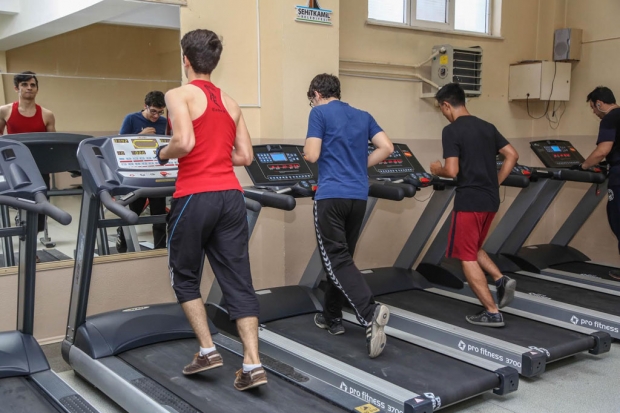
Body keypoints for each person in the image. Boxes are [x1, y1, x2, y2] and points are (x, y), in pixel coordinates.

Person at [156, 29, 264, 391]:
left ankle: (207, 351)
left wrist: (162, 153)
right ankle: (252, 364)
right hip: (231, 197)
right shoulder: (230, 102)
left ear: (186, 60)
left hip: (195, 196)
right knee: (238, 280)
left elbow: (183, 142)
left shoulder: (178, 94)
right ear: (213, 62)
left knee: (184, 276)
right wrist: (216, 153)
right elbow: (245, 156)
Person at [304, 73, 392, 358]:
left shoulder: (319, 113)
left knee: (336, 260)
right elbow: (387, 147)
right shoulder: (363, 115)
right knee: (341, 260)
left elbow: (312, 154)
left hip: (331, 195)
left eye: (311, 100)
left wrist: (306, 153)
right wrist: (359, 165)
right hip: (357, 197)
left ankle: (369, 311)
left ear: (317, 94)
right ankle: (332, 317)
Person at [430, 83, 519, 327]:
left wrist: (437, 169)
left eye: (441, 109)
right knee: (473, 247)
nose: (443, 114)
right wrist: (495, 182)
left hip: (470, 201)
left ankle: (492, 312)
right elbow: (512, 155)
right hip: (490, 200)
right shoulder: (487, 127)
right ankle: (500, 279)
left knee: (466, 256)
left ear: (446, 105)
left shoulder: (452, 130)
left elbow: (451, 170)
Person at [0, 71, 56, 262]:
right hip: (15, 169)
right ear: (17, 88)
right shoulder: (5, 111)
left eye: (33, 85)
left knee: (39, 213)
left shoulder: (47, 114)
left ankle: (31, 247)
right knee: (21, 208)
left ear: (37, 89)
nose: (29, 88)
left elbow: (52, 145)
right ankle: (26, 246)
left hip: (39, 169)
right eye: (25, 84)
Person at [116, 91, 168, 253]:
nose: (156, 116)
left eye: (160, 112)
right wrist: (140, 135)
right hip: (138, 172)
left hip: (157, 171)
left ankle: (160, 249)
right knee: (134, 211)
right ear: (145, 106)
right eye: (153, 111)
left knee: (159, 214)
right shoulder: (131, 118)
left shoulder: (164, 122)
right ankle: (122, 241)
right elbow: (119, 144)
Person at [579, 86, 620, 279]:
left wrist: (584, 165)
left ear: (599, 103)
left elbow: (602, 151)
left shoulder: (610, 118)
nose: (594, 113)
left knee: (617, 219)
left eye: (593, 108)